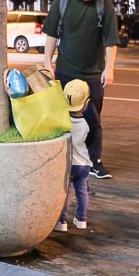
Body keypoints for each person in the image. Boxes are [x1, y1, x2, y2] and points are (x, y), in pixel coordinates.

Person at [42, 0, 120, 179]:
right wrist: (47, 61)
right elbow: (51, 34)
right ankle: (64, 157)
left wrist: (109, 68)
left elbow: (110, 40)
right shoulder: (62, 3)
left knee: (92, 119)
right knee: (64, 117)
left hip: (93, 73)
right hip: (66, 70)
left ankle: (94, 161)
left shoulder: (104, 5)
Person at [55, 80, 92, 232]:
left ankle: (62, 221)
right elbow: (89, 140)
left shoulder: (62, 122)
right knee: (82, 191)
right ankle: (81, 219)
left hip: (67, 163)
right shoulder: (86, 124)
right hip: (83, 164)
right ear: (86, 103)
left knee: (66, 192)